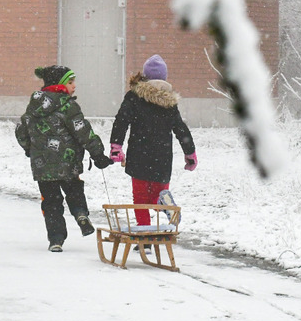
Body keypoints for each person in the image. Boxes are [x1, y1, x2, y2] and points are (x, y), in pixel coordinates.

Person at [15, 65, 113, 253]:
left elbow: (21, 130)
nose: (74, 85)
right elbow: (83, 131)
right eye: (70, 82)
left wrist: (29, 149)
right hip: (68, 164)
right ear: (59, 84)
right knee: (74, 190)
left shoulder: (33, 107)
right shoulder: (68, 106)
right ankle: (81, 215)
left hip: (43, 166)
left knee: (51, 203)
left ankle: (56, 239)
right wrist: (98, 154)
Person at [109, 54, 197, 226]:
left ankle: (144, 230)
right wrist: (190, 153)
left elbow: (121, 121)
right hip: (162, 156)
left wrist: (116, 147)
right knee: (158, 193)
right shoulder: (169, 101)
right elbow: (181, 128)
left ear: (145, 76)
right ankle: (162, 201)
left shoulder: (134, 96)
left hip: (138, 154)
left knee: (140, 198)